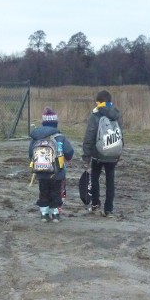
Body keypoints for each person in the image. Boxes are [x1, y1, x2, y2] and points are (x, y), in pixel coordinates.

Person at [81, 90, 123, 218]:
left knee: (95, 178)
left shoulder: (95, 115)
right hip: (113, 152)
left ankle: (95, 205)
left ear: (98, 102)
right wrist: (119, 152)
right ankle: (108, 209)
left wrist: (86, 157)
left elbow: (89, 136)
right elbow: (120, 134)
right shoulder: (116, 114)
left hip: (98, 153)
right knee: (110, 180)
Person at [29, 107, 74, 222]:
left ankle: (44, 214)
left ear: (43, 122)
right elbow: (69, 152)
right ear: (55, 123)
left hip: (41, 171)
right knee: (56, 192)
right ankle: (55, 214)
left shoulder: (36, 137)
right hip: (57, 172)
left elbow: (30, 154)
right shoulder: (60, 137)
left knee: (43, 192)